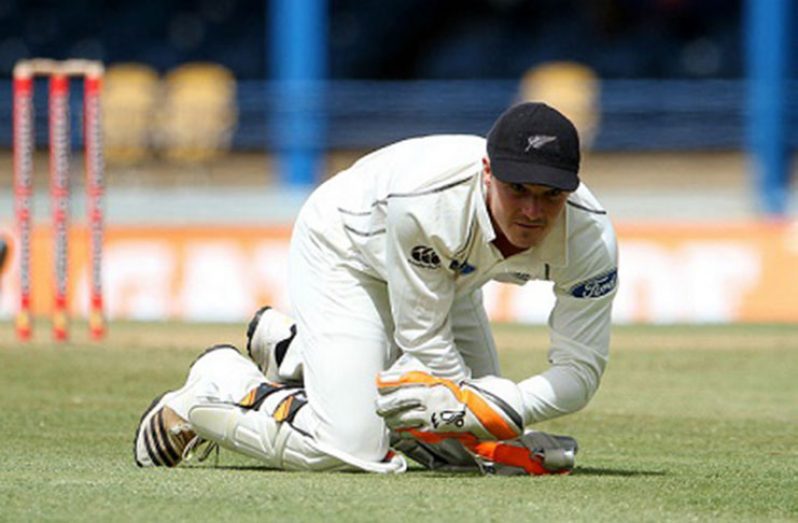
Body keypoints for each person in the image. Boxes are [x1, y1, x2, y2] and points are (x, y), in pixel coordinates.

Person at [134, 102, 618, 475]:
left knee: (466, 456)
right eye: (518, 191)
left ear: (571, 191)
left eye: (551, 196)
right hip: (344, 248)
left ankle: (294, 353)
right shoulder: (431, 203)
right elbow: (424, 342)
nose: (533, 212)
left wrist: (501, 410)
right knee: (349, 447)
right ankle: (217, 385)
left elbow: (581, 370)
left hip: (455, 274)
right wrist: (476, 410)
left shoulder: (591, 240)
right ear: (487, 174)